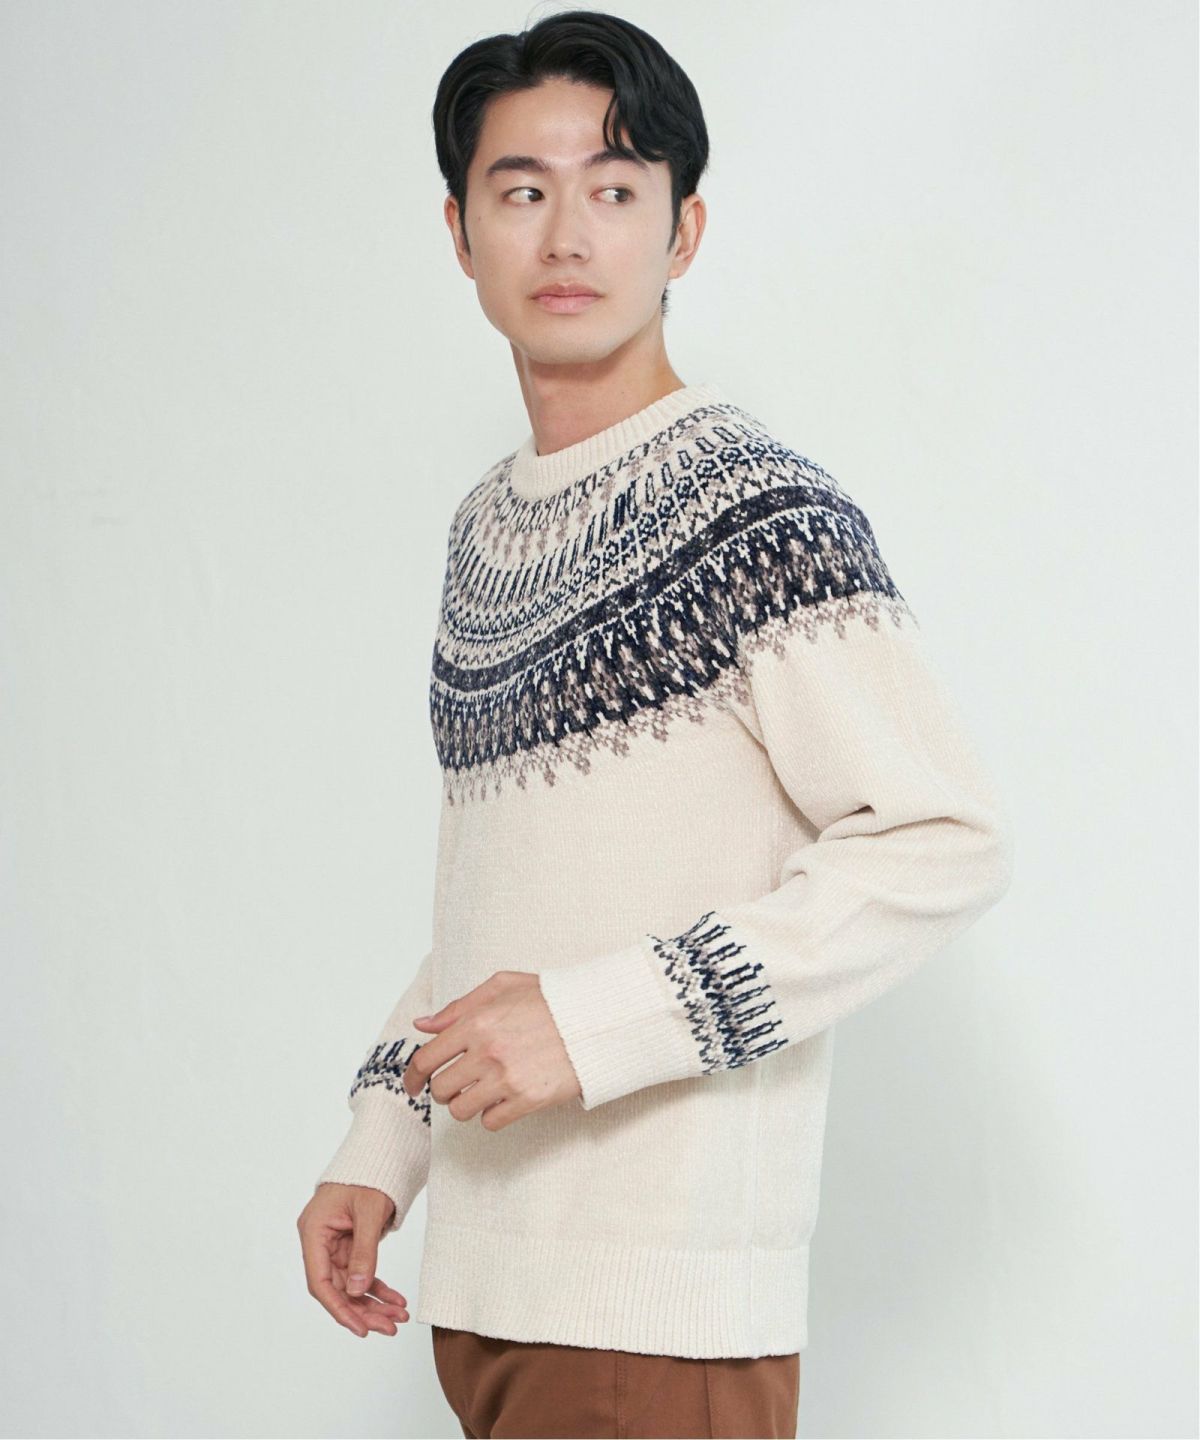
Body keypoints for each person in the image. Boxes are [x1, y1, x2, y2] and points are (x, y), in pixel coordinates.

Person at [296, 11, 1015, 1438]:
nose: (568, 234)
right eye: (522, 190)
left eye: (616, 190)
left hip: (652, 1319)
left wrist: (596, 1023)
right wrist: (384, 1139)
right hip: (487, 1300)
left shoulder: (759, 512)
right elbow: (494, 898)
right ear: (460, 233)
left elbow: (943, 840)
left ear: (683, 231)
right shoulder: (488, 528)